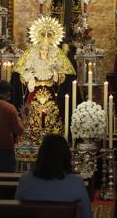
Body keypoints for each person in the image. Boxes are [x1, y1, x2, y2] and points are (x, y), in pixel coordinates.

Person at [14, 16, 75, 145]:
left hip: (50, 93)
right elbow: (22, 74)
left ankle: (54, 140)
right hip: (34, 92)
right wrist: (30, 76)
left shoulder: (55, 58)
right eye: (42, 49)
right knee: (31, 116)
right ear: (38, 49)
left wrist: (55, 74)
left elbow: (63, 75)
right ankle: (30, 139)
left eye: (46, 49)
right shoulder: (31, 57)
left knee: (52, 116)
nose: (44, 51)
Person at [15, 134, 92, 218]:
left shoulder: (25, 180)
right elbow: (86, 214)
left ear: (41, 154)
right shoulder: (76, 182)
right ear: (66, 155)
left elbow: (17, 211)